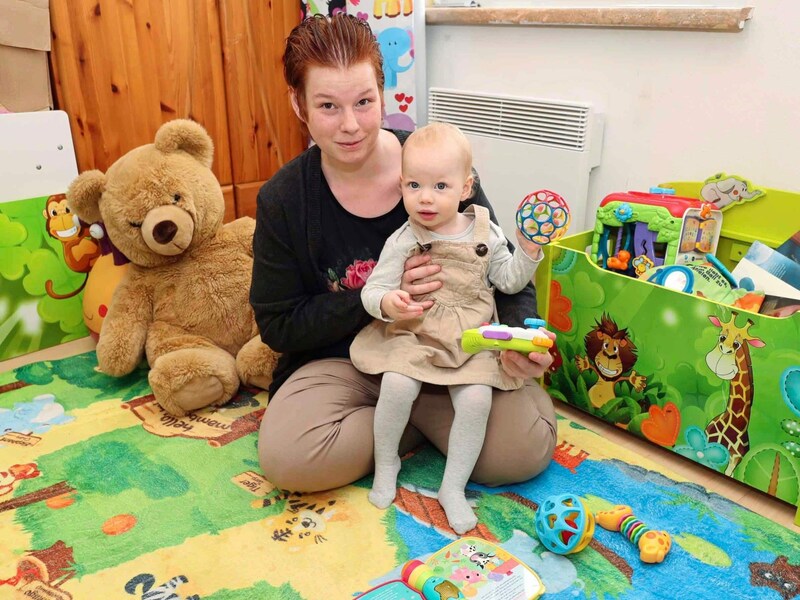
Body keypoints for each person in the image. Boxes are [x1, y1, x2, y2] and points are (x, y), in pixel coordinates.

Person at [250, 14, 557, 507]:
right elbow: (278, 324)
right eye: (328, 106)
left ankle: (409, 421)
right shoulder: (284, 199)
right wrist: (377, 301)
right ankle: (412, 428)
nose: (350, 125)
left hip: (452, 352)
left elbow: (504, 274)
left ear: (384, 92)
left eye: (364, 102)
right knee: (290, 459)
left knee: (522, 452)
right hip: (340, 362)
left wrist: (519, 338)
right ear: (298, 105)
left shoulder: (435, 164)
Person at [350, 122, 547, 533]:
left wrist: (528, 253)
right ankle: (387, 462)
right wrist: (388, 303)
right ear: (401, 185)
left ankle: (452, 487)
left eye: (441, 186)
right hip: (417, 332)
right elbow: (374, 289)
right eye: (414, 185)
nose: (425, 197)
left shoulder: (485, 231)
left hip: (471, 336)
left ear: (466, 187)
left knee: (476, 401)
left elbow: (509, 282)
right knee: (397, 386)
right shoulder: (405, 237)